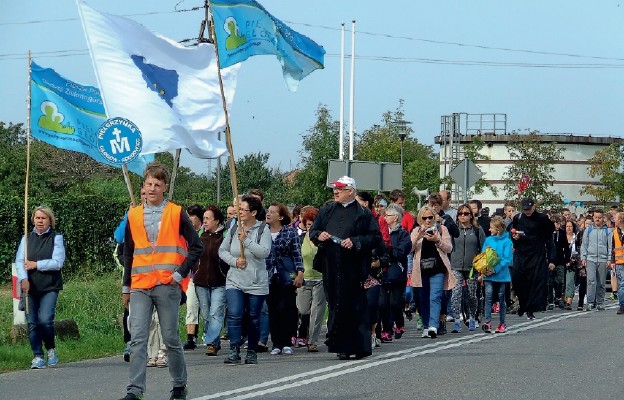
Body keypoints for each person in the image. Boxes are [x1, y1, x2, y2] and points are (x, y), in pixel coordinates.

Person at [121, 162, 203, 400]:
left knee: (170, 337)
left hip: (168, 284)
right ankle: (135, 391)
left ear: (165, 187)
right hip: (140, 284)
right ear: (143, 186)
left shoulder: (176, 213)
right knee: (137, 338)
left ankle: (179, 385)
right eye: (149, 184)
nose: (152, 188)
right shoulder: (133, 214)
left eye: (157, 184)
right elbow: (128, 252)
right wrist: (126, 286)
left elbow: (196, 246)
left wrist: (179, 274)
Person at [309, 176, 381, 360]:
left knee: (353, 305)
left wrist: (356, 241)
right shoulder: (327, 210)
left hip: (353, 266)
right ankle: (339, 344)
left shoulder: (363, 214)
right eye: (335, 189)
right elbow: (313, 232)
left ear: (351, 191)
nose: (336, 192)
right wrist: (320, 235)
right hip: (331, 264)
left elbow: (375, 237)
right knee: (335, 304)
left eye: (340, 189)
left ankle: (357, 346)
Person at [218, 195, 271, 365]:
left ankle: (252, 350)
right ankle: (234, 349)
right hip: (235, 280)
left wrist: (246, 241)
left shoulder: (263, 230)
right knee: (234, 313)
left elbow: (264, 252)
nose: (239, 212)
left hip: (256, 282)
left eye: (242, 209)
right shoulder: (234, 229)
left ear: (253, 212)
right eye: (238, 209)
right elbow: (222, 250)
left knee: (254, 316)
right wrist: (234, 261)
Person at [15, 206, 66, 369]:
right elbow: (19, 261)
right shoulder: (26, 238)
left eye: (43, 218)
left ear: (50, 220)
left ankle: (50, 348)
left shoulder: (56, 238)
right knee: (32, 322)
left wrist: (36, 264)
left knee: (45, 320)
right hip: (30, 286)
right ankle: (37, 355)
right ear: (33, 220)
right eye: (37, 218)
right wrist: (23, 278)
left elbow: (58, 262)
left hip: (50, 285)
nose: (40, 221)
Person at [410, 206, 456, 339]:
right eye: (425, 218)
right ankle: (425, 325)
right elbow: (409, 248)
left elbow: (449, 248)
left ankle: (433, 326)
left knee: (435, 297)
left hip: (438, 269)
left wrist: (437, 240)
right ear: (420, 219)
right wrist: (419, 236)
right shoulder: (416, 231)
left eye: (430, 217)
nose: (428, 220)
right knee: (423, 298)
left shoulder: (442, 229)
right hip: (421, 270)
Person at [265, 202, 304, 356]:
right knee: (273, 309)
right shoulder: (263, 232)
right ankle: (276, 342)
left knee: (285, 308)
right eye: (268, 211)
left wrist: (300, 272)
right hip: (268, 276)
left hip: (286, 275)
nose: (268, 214)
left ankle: (287, 341)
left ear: (280, 217)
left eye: (272, 212)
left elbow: (297, 254)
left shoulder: (290, 232)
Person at [509, 198, 555, 320]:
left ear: (534, 207)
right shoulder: (518, 218)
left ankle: (529, 308)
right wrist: (515, 237)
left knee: (533, 283)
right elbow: (512, 234)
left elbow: (550, 235)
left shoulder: (542, 218)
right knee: (517, 279)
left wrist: (551, 258)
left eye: (529, 209)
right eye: (525, 210)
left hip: (536, 253)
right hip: (521, 253)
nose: (527, 212)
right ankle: (522, 303)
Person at [193, 205, 229, 356]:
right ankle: (213, 340)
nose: (205, 221)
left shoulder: (224, 236)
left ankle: (212, 343)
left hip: (219, 281)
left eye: (208, 218)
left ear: (217, 221)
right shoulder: (200, 235)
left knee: (216, 313)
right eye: (204, 219)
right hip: (200, 281)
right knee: (206, 314)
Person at [378, 204, 412, 342]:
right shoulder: (380, 232)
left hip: (397, 272)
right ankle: (386, 329)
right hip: (382, 272)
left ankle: (399, 323)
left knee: (395, 303)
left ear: (396, 217)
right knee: (382, 303)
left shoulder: (403, 234)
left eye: (388, 215)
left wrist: (389, 249)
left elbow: (402, 251)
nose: (385, 218)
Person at [449, 204, 485, 332]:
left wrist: (482, 270)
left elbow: (483, 249)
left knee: (471, 295)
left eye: (465, 214)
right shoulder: (453, 230)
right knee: (456, 294)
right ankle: (457, 321)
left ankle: (472, 318)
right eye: (460, 214)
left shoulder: (477, 230)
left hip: (472, 268)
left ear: (471, 215)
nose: (463, 216)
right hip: (456, 266)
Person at [295, 207, 326, 352]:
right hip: (305, 278)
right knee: (303, 309)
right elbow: (297, 258)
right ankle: (304, 334)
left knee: (317, 311)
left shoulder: (324, 240)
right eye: (308, 225)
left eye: (314, 225)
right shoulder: (300, 239)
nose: (311, 227)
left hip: (320, 278)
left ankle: (312, 341)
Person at [481, 216, 513, 334]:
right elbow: (483, 254)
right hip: (488, 274)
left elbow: (507, 259)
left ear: (498, 229)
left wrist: (496, 269)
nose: (489, 230)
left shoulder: (507, 241)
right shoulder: (488, 240)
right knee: (488, 297)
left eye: (491, 228)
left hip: (501, 275)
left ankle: (502, 323)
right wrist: (483, 268)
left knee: (501, 297)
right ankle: (488, 321)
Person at [580, 208, 612, 311]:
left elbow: (610, 246)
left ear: (603, 218)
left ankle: (600, 302)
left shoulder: (607, 231)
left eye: (599, 217)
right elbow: (584, 245)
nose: (597, 219)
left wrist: (609, 259)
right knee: (591, 281)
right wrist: (583, 257)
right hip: (591, 258)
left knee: (601, 282)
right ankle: (590, 302)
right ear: (593, 217)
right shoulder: (588, 230)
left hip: (603, 259)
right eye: (596, 217)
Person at [182, 204, 204, 351]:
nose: (190, 219)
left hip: (206, 276)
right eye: (188, 216)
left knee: (207, 309)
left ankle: (210, 335)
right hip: (191, 275)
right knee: (191, 305)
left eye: (192, 216)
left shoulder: (205, 232)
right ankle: (191, 337)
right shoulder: (185, 233)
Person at [547, 215, 567, 310]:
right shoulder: (548, 233)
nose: (556, 225)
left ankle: (559, 298)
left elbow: (566, 247)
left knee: (559, 281)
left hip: (560, 261)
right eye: (554, 223)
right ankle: (550, 300)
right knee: (550, 282)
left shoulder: (562, 233)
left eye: (558, 223)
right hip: (550, 261)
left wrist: (566, 259)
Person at [562, 220, 581, 310]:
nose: (569, 228)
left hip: (572, 263)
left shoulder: (576, 238)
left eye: (570, 226)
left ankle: (569, 301)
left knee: (570, 281)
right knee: (561, 282)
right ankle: (563, 299)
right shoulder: (561, 237)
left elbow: (579, 250)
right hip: (562, 262)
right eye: (567, 226)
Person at [610, 212, 624, 314]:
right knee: (622, 284)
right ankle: (622, 305)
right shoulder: (615, 232)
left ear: (620, 220)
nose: (614, 219)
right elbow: (613, 248)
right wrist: (612, 261)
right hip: (619, 262)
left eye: (616, 218)